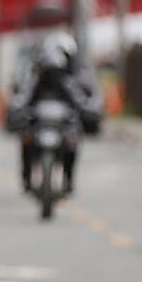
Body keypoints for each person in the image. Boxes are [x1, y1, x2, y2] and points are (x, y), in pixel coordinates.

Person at [11, 31, 88, 194]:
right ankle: (26, 177)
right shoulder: (37, 78)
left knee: (73, 142)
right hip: (39, 124)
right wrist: (17, 109)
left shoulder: (68, 81)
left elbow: (80, 100)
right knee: (25, 138)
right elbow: (24, 97)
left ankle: (68, 180)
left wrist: (87, 110)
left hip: (61, 126)